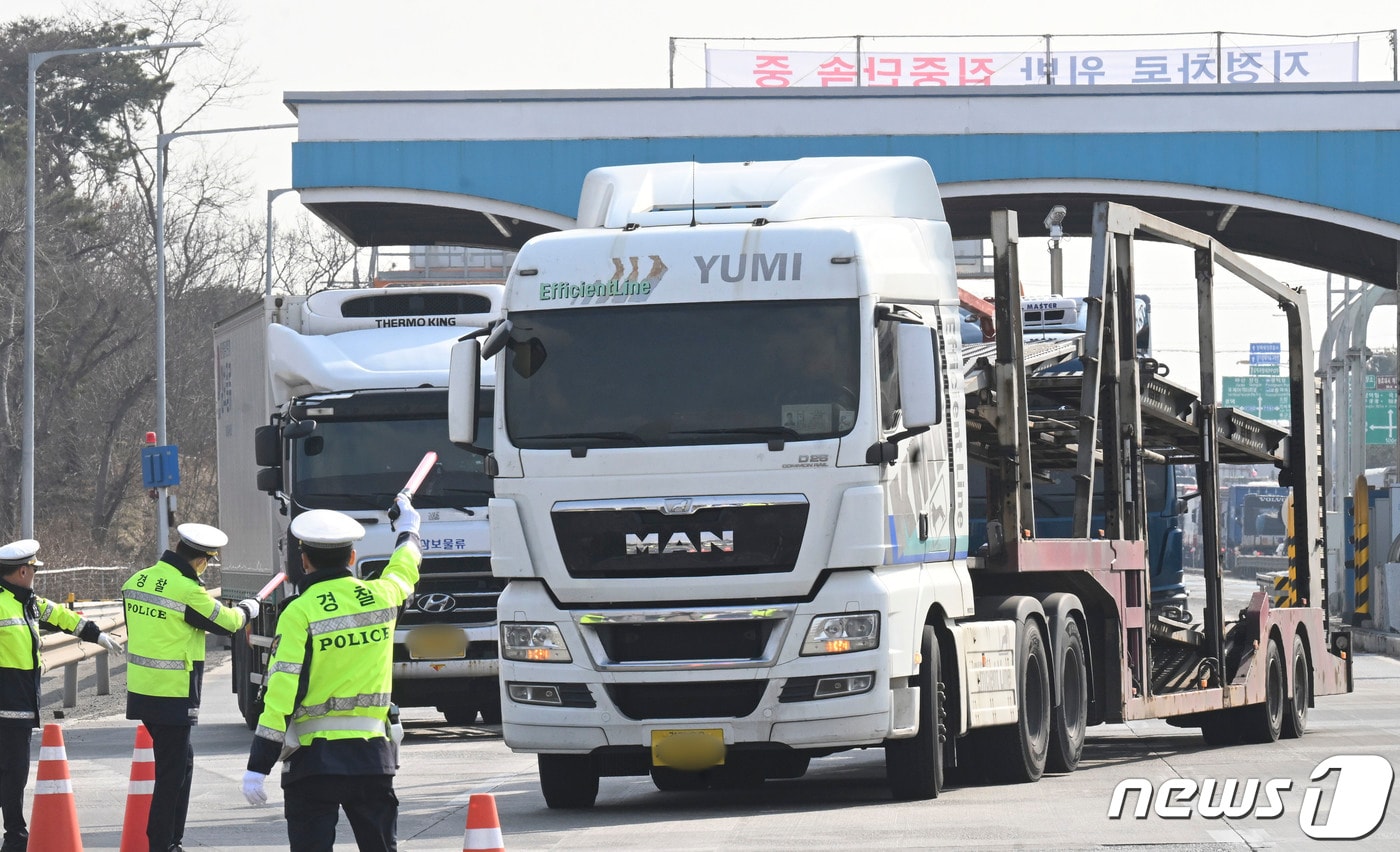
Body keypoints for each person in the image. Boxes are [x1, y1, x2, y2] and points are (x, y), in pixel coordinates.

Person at [241, 494, 422, 851]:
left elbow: (282, 690)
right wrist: (408, 529)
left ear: (304, 561)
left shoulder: (298, 612)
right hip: (372, 759)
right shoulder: (383, 596)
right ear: (352, 558)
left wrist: (259, 764)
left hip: (313, 763)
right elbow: (405, 567)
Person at [122, 523, 260, 852]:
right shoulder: (187, 591)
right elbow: (228, 623)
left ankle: (171, 839)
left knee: (182, 761)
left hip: (142, 690)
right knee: (171, 773)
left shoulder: (137, 580)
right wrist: (249, 608)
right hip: (172, 693)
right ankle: (162, 844)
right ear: (201, 561)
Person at [0, 539, 123, 852]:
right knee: (11, 772)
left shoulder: (28, 602)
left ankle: (14, 834)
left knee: (14, 772)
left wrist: (97, 634)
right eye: (34, 570)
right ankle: (15, 836)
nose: (35, 574)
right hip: (6, 701)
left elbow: (62, 617)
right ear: (23, 571)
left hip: (20, 702)